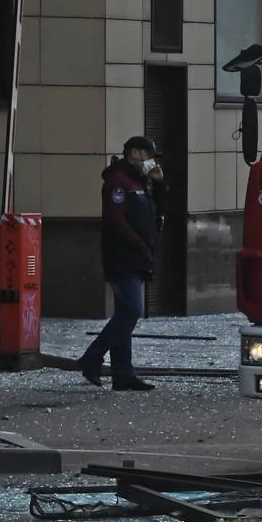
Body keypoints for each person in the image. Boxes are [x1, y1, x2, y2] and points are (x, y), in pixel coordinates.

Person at [79, 136, 169, 390]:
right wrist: (138, 244)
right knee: (131, 311)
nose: (151, 160)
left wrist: (160, 184)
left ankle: (123, 373)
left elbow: (160, 209)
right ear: (134, 154)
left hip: (139, 256)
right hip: (122, 256)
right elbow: (115, 221)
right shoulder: (117, 182)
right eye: (147, 154)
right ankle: (91, 357)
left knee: (124, 313)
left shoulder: (143, 180)